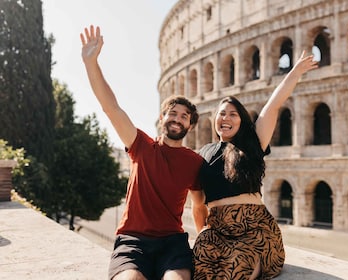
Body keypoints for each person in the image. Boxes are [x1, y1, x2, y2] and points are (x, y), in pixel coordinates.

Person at [80, 25, 207, 280]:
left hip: (172, 242)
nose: (177, 119)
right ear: (162, 118)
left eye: (184, 117)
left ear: (190, 126)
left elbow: (199, 204)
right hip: (132, 240)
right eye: (172, 113)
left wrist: (205, 235)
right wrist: (91, 63)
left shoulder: (195, 162)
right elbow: (111, 107)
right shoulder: (141, 145)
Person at [193, 51, 318, 279]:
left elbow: (273, 105)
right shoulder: (203, 153)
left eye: (233, 114)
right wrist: (203, 231)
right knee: (200, 253)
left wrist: (295, 72)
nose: (226, 118)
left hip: (255, 230)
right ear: (214, 119)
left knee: (237, 265)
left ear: (242, 120)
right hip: (218, 229)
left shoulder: (252, 145)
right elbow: (198, 204)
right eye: (222, 114)